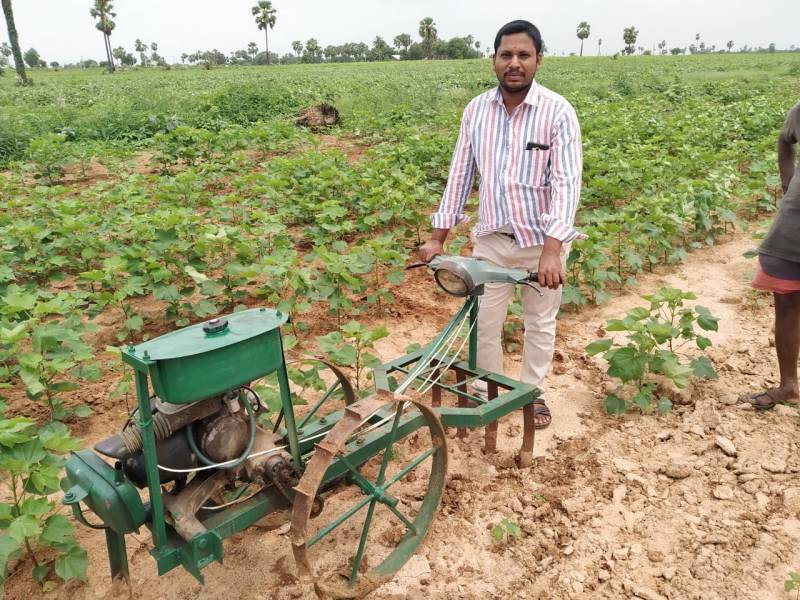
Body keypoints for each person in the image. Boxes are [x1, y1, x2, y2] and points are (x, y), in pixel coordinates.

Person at [418, 20, 584, 429]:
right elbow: (460, 175)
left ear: (538, 60)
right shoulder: (476, 110)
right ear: (493, 60)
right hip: (491, 239)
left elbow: (566, 183)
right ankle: (484, 388)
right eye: (506, 55)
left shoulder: (557, 112)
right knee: (485, 322)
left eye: (523, 55)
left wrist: (552, 249)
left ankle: (532, 394)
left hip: (539, 243)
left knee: (539, 322)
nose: (514, 63)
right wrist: (438, 237)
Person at [747, 101, 800, 410]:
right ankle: (789, 385)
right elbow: (785, 139)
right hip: (795, 221)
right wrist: (788, 181)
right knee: (787, 300)